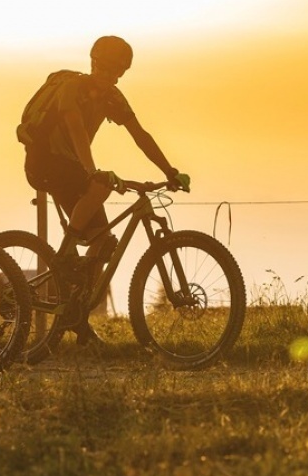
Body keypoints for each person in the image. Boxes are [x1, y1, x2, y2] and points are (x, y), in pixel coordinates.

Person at [16, 35, 189, 345]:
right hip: (45, 163)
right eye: (107, 70)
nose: (111, 77)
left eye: (118, 72)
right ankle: (65, 256)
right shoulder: (72, 88)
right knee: (101, 187)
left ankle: (77, 317)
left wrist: (170, 171)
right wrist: (93, 171)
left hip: (76, 168)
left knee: (103, 244)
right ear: (94, 63)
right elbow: (75, 127)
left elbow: (140, 135)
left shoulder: (112, 98)